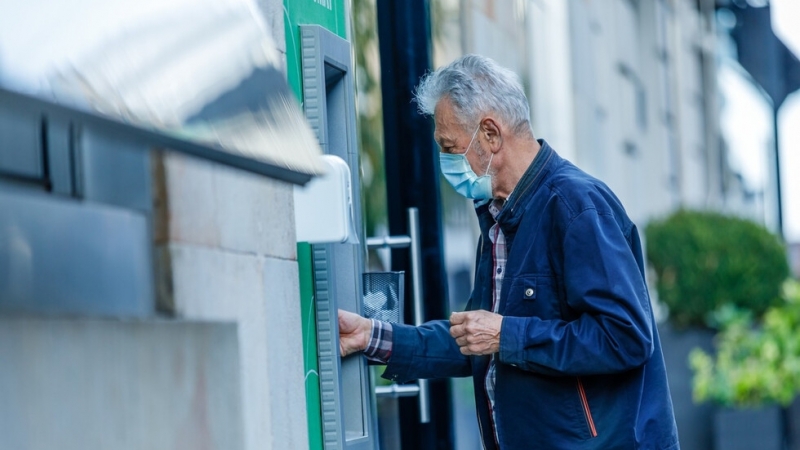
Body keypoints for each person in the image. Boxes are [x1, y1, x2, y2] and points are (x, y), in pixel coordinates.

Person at [338, 54, 679, 450]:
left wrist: (506, 333)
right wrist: (374, 337)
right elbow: (474, 340)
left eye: (450, 147)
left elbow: (627, 337)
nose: (446, 163)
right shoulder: (499, 218)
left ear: (490, 134)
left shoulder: (576, 207)